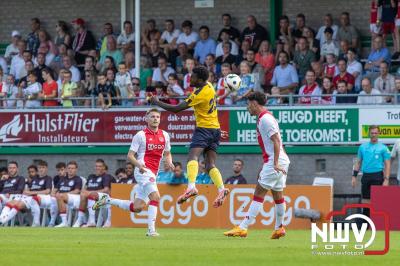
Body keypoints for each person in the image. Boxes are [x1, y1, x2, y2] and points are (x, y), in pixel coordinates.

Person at [150, 66, 230, 207]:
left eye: (192, 77)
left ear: (199, 80)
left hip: (204, 130)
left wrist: (156, 102)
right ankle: (221, 188)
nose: (189, 79)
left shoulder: (199, 94)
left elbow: (176, 109)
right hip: (215, 129)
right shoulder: (209, 85)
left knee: (192, 157)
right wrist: (216, 132)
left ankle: (191, 187)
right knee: (210, 164)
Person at [93, 109, 174, 236]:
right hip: (142, 171)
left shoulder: (165, 135)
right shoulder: (140, 135)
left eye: (157, 117)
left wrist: (170, 162)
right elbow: (130, 156)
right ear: (146, 119)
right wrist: (139, 165)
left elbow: (168, 153)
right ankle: (151, 231)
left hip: (153, 172)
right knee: (156, 197)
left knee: (138, 207)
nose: (155, 119)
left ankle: (107, 200)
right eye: (152, 116)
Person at [224, 92, 290, 239]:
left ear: (254, 103)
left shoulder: (265, 119)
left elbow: (276, 141)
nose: (248, 108)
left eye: (248, 104)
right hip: (279, 160)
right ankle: (279, 228)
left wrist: (274, 163)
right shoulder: (265, 117)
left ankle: (242, 227)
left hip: (276, 161)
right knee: (278, 195)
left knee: (259, 193)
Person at [352, 125, 391, 218]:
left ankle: (378, 224)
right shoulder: (362, 147)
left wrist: (386, 179)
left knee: (377, 202)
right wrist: (354, 176)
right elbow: (358, 162)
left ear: (379, 134)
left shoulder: (383, 148)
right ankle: (366, 225)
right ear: (369, 133)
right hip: (366, 176)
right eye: (372, 133)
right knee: (365, 202)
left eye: (376, 133)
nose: (374, 135)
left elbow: (387, 164)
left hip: (378, 176)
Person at [73, 159, 112, 227]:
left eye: (100, 166)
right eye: (96, 166)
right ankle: (82, 220)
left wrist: (90, 192)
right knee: (82, 196)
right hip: (88, 196)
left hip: (102, 197)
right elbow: (84, 189)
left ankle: (90, 221)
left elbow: (106, 190)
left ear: (103, 167)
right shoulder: (91, 176)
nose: (98, 168)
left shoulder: (106, 176)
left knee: (90, 195)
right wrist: (86, 192)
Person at [54, 161, 83, 227]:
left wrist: (63, 194)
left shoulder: (78, 179)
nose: (70, 170)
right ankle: (59, 222)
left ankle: (63, 222)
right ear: (66, 169)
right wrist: (55, 194)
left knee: (60, 196)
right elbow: (54, 191)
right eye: (69, 168)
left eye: (72, 168)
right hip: (62, 197)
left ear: (76, 169)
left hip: (74, 197)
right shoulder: (62, 179)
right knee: (55, 198)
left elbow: (77, 191)